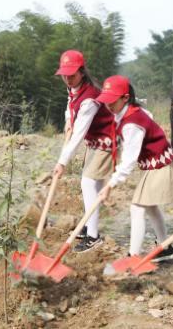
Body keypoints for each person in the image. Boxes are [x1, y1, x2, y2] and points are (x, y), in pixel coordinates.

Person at [96, 76, 173, 262]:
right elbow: (148, 117)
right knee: (149, 206)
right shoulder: (132, 111)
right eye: (106, 101)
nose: (108, 105)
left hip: (159, 163)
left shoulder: (132, 123)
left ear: (125, 98)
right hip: (154, 162)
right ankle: (165, 247)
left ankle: (132, 258)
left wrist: (110, 185)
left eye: (113, 100)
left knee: (137, 208)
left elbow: (129, 162)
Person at [52, 50, 115, 253]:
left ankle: (93, 237)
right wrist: (68, 120)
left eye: (72, 74)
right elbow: (69, 103)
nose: (68, 79)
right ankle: (91, 224)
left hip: (107, 140)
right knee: (91, 185)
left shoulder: (90, 98)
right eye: (64, 75)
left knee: (88, 183)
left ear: (82, 72)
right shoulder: (76, 88)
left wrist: (62, 162)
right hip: (96, 141)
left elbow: (78, 135)